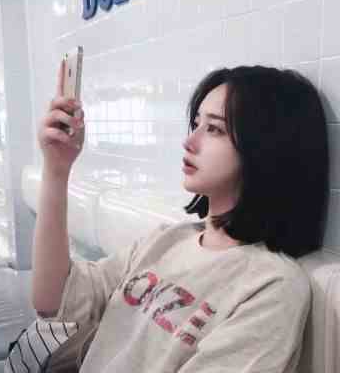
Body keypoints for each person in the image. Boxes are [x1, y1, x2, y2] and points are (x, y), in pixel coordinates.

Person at [31, 63, 329, 372]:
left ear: (265, 149)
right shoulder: (167, 240)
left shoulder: (272, 285)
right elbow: (53, 300)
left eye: (214, 129)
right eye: (196, 123)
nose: (190, 142)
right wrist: (56, 168)